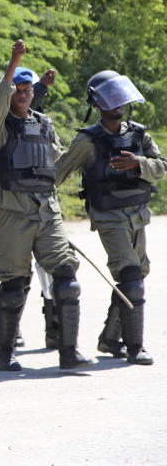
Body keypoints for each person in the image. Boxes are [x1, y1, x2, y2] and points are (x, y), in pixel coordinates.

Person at [0, 40, 91, 372]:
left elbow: (55, 161)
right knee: (14, 285)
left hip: (47, 211)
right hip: (12, 213)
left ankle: (68, 351)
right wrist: (13, 62)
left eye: (28, 89)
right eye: (18, 89)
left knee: (67, 278)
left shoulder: (44, 123)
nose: (24, 94)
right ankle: (4, 351)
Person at [56, 70, 162, 366]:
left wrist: (138, 163)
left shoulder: (139, 134)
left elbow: (162, 166)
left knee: (136, 277)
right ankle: (135, 347)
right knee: (131, 277)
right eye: (109, 100)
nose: (116, 105)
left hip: (138, 216)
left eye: (119, 99)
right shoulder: (86, 141)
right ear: (98, 104)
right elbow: (56, 174)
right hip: (109, 217)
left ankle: (110, 338)